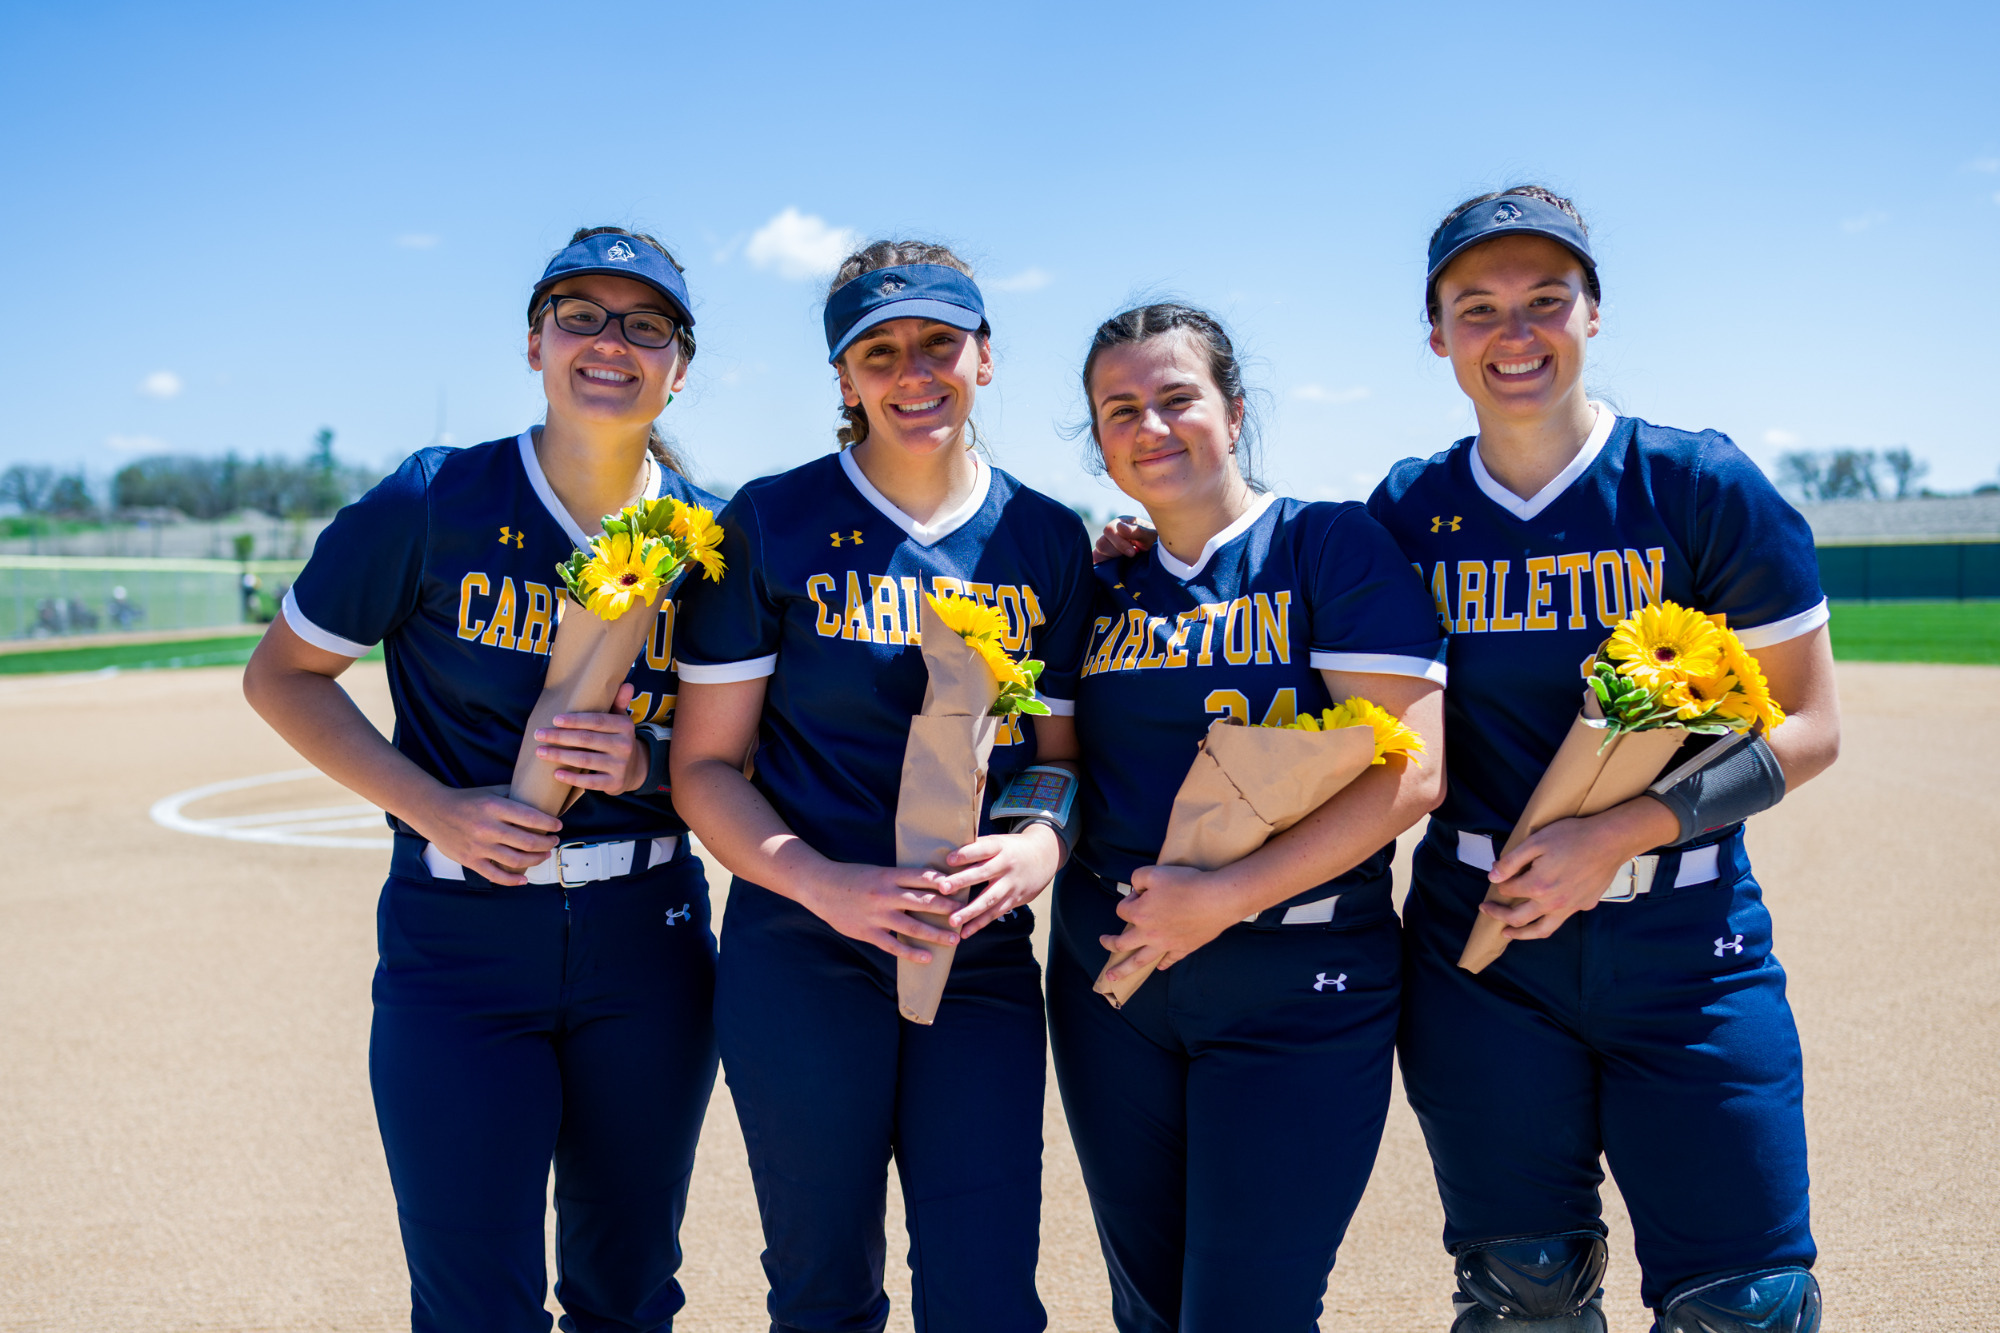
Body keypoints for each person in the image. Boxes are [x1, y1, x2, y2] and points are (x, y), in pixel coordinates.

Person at [1368, 187, 1840, 1333]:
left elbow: (1807, 723)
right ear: (1434, 333)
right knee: (1520, 1292)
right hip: (1483, 949)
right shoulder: (1405, 510)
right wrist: (1130, 550)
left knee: (1748, 1302)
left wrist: (1615, 831)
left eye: (1544, 300)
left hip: (1685, 941)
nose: (1512, 333)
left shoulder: (1695, 484)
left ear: (1593, 313)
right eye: (1475, 307)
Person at [243, 226, 723, 1333]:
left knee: (629, 1290)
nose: (611, 344)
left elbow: (745, 748)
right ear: (534, 343)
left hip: (645, 936)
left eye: (646, 325)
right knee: (472, 1305)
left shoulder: (708, 536)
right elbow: (284, 676)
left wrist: (644, 759)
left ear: (679, 367)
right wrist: (434, 804)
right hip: (458, 944)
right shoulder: (432, 498)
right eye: (581, 317)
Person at [669, 241, 1093, 1333]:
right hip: (803, 950)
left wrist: (1039, 846)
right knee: (821, 1291)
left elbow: (1057, 758)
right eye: (880, 350)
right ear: (844, 378)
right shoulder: (770, 521)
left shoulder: (1045, 536)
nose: (914, 372)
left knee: (987, 1294)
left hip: (979, 954)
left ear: (983, 357)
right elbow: (706, 767)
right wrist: (824, 887)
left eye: (938, 344)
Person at [1052, 303, 1446, 1332]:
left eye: (1176, 398)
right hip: (1113, 981)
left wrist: (1221, 899)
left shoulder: (1327, 544)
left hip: (1298, 984)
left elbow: (1410, 775)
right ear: (1097, 439)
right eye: (1119, 408)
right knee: (1149, 1309)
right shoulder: (1096, 584)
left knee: (1243, 1313)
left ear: (1231, 411)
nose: (1150, 425)